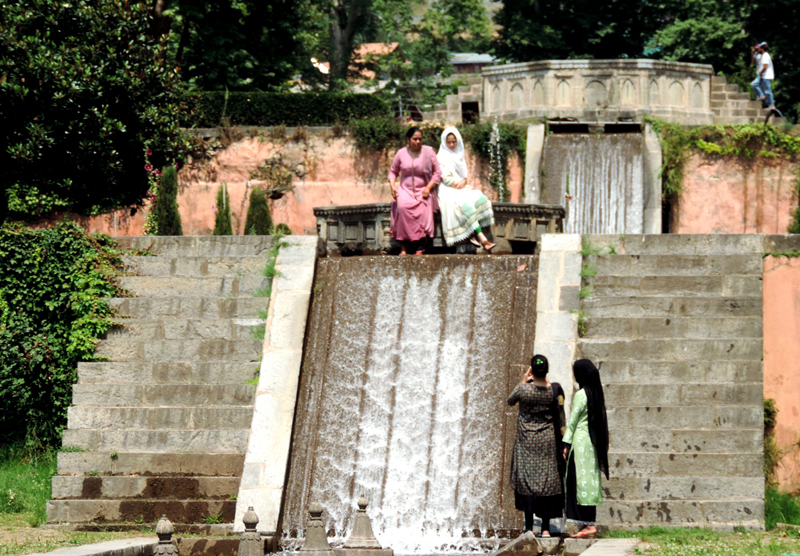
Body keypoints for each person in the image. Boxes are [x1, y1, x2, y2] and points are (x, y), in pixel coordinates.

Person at [508, 355, 566, 537]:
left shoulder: (523, 390)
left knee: (527, 482)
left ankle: (528, 528)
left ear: (531, 370)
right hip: (547, 442)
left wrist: (524, 380)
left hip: (527, 442)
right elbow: (561, 413)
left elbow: (510, 400)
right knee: (547, 481)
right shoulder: (553, 391)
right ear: (547, 370)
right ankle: (547, 528)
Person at [562, 359, 610, 539]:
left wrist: (565, 444)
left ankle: (581, 524)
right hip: (592, 445)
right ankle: (589, 523)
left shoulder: (581, 394)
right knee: (588, 483)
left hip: (580, 444)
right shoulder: (596, 393)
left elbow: (572, 422)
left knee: (575, 481)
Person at [436, 127, 496, 252]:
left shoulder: (459, 154)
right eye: (449, 142)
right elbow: (447, 180)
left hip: (460, 187)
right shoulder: (441, 157)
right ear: (444, 142)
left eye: (454, 141)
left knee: (480, 197)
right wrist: (460, 183)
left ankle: (472, 232)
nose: (452, 144)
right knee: (464, 204)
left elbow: (464, 177)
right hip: (447, 190)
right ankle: (482, 238)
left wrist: (464, 181)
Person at [388, 126, 441, 255]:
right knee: (402, 207)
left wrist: (428, 187)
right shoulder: (401, 153)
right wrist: (392, 186)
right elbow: (393, 172)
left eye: (420, 139)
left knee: (423, 209)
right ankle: (404, 245)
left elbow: (438, 172)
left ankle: (420, 246)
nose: (417, 142)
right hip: (405, 190)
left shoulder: (428, 152)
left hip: (423, 189)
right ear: (408, 139)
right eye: (414, 139)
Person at [751, 42, 776, 110]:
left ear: (762, 48)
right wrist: (753, 52)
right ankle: (762, 96)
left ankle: (772, 105)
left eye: (759, 47)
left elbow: (765, 67)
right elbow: (753, 62)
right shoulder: (760, 55)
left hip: (766, 75)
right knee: (754, 84)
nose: (757, 48)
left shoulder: (765, 55)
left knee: (768, 91)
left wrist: (761, 73)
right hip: (762, 75)